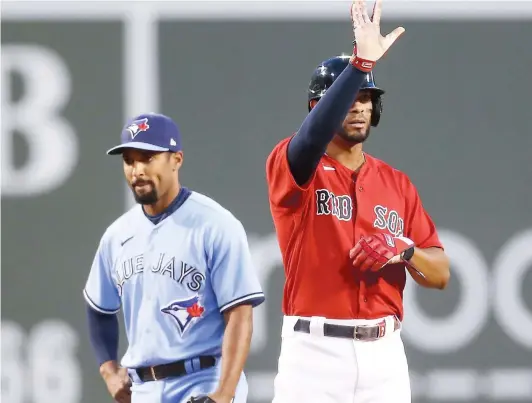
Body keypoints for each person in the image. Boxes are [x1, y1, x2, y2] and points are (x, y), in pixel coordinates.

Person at [265, 0, 450, 402]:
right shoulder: (294, 166)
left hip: (384, 356)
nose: (359, 105)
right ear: (320, 108)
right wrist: (360, 65)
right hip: (313, 354)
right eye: (348, 97)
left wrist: (405, 250)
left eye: (366, 97)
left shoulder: (396, 183)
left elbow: (440, 272)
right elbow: (311, 139)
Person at [83, 112, 265, 403]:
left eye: (147, 157)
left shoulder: (214, 224)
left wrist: (224, 394)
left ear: (176, 159)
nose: (136, 170)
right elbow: (98, 308)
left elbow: (240, 315)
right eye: (129, 160)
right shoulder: (117, 236)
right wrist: (109, 371)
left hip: (204, 379)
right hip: (143, 388)